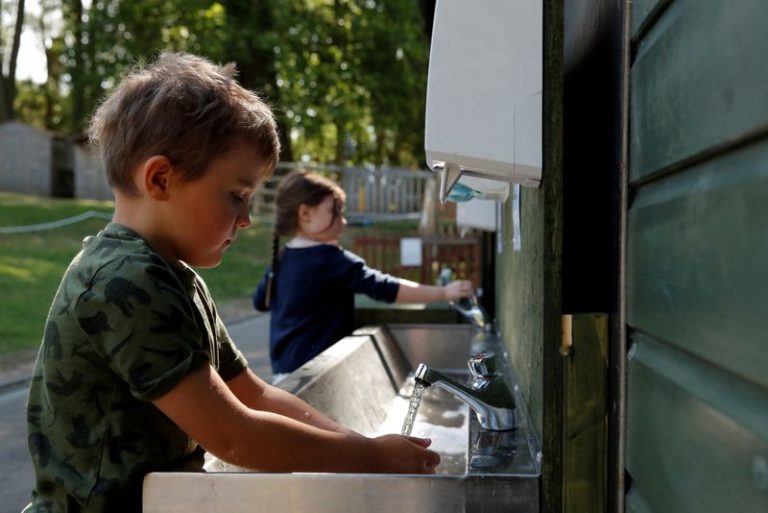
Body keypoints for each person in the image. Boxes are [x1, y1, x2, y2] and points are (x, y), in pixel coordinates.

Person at [23, 53, 439, 513]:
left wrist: (366, 446)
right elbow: (235, 436)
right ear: (161, 179)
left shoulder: (176, 279)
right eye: (236, 196)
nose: (245, 219)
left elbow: (253, 393)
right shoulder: (124, 282)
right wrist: (370, 459)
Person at [253, 170, 474, 380]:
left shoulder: (283, 258)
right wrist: (444, 292)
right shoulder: (331, 260)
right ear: (305, 214)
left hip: (283, 374)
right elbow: (386, 288)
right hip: (318, 373)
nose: (344, 221)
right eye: (335, 212)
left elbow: (260, 302)